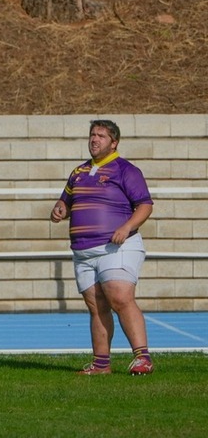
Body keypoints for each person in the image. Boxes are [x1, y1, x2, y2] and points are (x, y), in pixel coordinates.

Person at [50, 119, 155, 376]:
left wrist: (127, 227)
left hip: (116, 247)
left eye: (101, 136)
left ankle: (142, 358)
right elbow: (65, 202)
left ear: (114, 142)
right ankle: (101, 364)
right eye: (92, 135)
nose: (94, 139)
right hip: (83, 253)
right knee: (96, 307)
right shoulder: (78, 172)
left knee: (120, 297)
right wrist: (60, 210)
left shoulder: (125, 170)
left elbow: (145, 205)